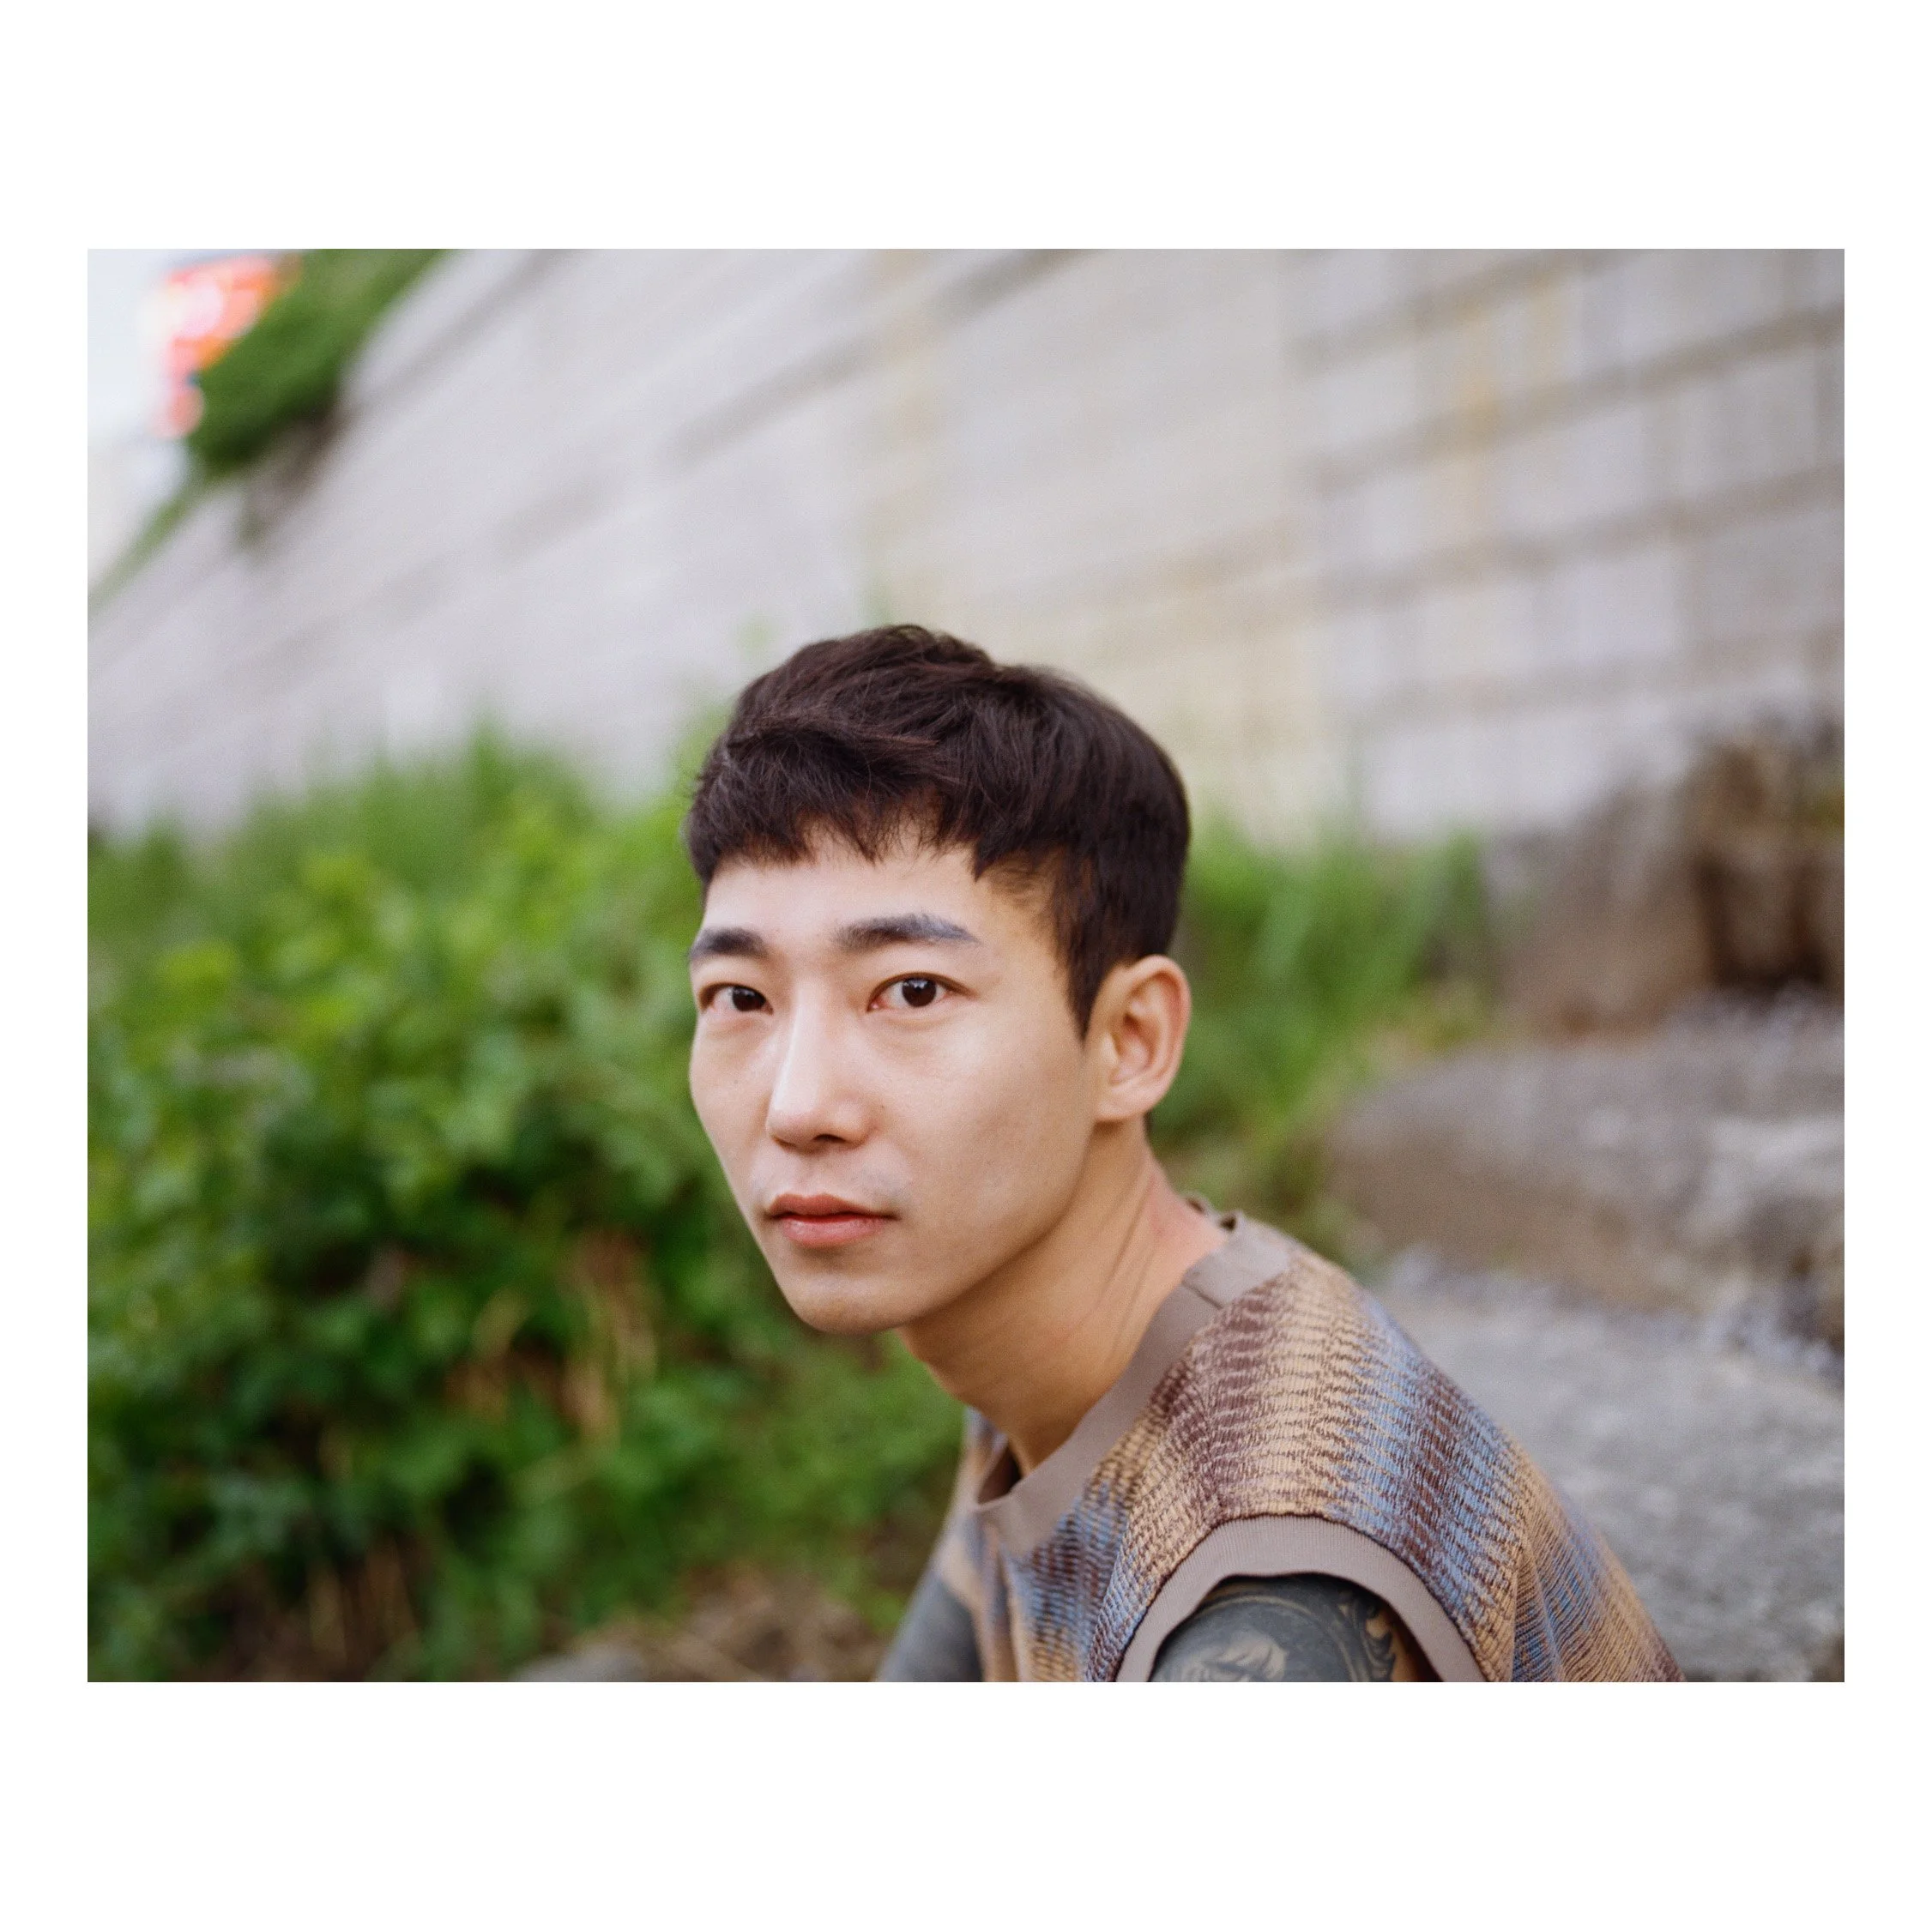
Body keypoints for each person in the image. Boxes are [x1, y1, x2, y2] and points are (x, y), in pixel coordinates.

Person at [681, 625, 1681, 1682]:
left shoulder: (1277, 1607)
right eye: (740, 998)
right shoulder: (1026, 1348)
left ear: (1128, 1041)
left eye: (911, 991)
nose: (797, 1106)